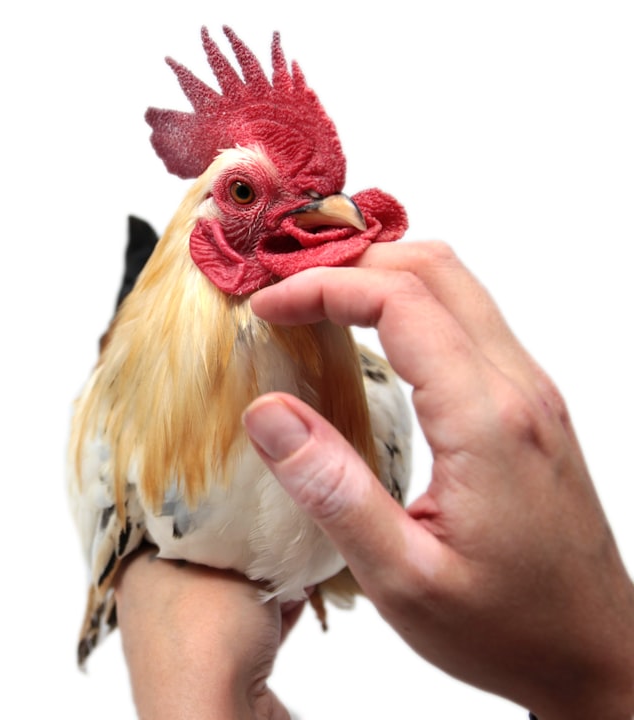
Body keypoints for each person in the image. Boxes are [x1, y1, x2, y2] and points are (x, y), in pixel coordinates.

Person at [112, 241, 634, 720]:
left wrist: (595, 679)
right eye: (245, 193)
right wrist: (598, 680)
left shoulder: (378, 404)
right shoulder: (127, 445)